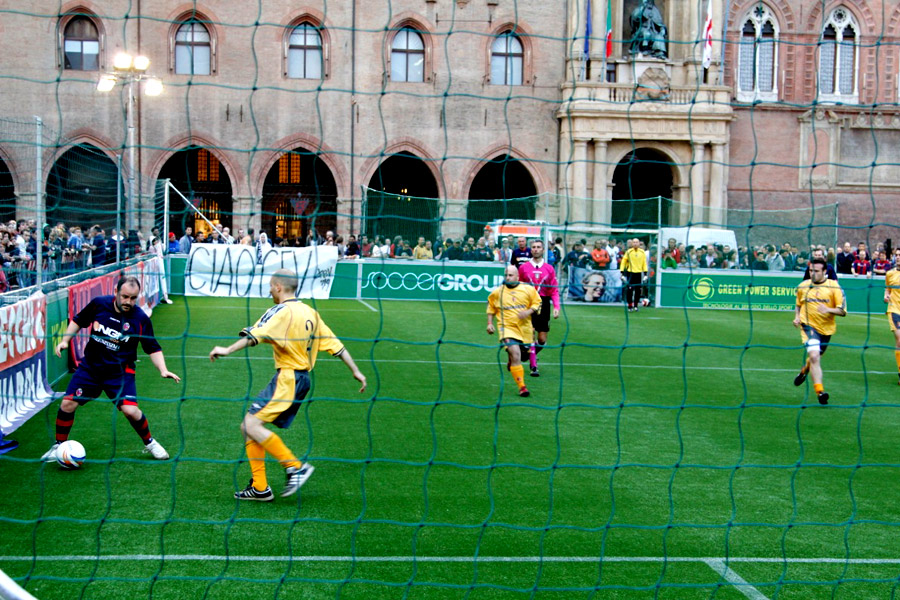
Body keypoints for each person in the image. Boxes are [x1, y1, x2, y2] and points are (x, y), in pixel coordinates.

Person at [209, 269, 367, 501]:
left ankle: (295, 466)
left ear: (278, 287)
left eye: (271, 286)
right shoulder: (311, 312)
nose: (269, 290)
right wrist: (356, 370)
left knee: (250, 425)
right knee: (249, 427)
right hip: (302, 380)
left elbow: (256, 335)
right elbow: (336, 346)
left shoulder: (280, 311)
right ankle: (260, 487)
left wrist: (227, 349)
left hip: (288, 378)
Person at [41, 276, 180, 462]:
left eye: (133, 298)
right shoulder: (99, 304)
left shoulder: (140, 319)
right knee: (67, 404)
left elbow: (152, 347)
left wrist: (163, 369)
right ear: (116, 292)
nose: (128, 302)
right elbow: (78, 320)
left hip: (120, 374)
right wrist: (65, 340)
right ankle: (59, 445)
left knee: (130, 411)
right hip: (90, 369)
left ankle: (150, 442)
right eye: (125, 297)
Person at [792, 258, 846, 405]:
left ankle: (804, 371)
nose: (813, 273)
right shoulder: (803, 286)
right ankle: (820, 392)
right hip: (808, 326)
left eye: (816, 271)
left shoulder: (834, 287)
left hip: (827, 329)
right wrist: (797, 317)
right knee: (815, 356)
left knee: (815, 357)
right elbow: (798, 304)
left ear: (824, 272)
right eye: (811, 271)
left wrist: (828, 309)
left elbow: (842, 311)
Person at [486, 265, 541, 398]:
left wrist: (528, 311)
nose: (508, 278)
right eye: (506, 275)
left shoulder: (528, 289)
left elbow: (537, 303)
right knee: (515, 353)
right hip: (507, 327)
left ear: (517, 277)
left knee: (522, 356)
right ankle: (522, 387)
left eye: (510, 275)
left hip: (525, 328)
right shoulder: (498, 292)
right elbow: (491, 307)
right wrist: (489, 323)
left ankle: (512, 361)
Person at [518, 239, 560, 377]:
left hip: (544, 304)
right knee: (530, 335)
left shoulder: (549, 268)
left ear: (543, 250)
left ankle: (527, 354)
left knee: (541, 339)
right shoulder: (524, 268)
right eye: (534, 247)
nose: (536, 249)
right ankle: (533, 366)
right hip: (528, 304)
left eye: (538, 247)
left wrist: (556, 306)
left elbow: (554, 289)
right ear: (531, 250)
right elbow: (519, 287)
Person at [620, 239, 647, 312]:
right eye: (634, 242)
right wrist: (622, 272)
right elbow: (623, 262)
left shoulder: (642, 252)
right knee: (630, 290)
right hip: (630, 273)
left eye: (636, 242)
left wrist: (645, 274)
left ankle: (636, 305)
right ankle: (630, 305)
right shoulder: (628, 252)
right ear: (632, 244)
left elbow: (644, 263)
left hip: (638, 273)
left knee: (638, 290)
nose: (635, 244)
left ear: (639, 244)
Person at [884, 259, 900, 385]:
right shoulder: (890, 274)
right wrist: (886, 295)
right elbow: (887, 289)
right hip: (894, 309)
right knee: (899, 340)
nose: (899, 257)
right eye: (897, 255)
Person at [149, 237, 174, 304]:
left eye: (157, 241)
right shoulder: (151, 248)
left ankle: (163, 296)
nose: (156, 242)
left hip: (159, 266)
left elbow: (164, 249)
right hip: (154, 268)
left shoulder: (160, 246)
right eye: (154, 241)